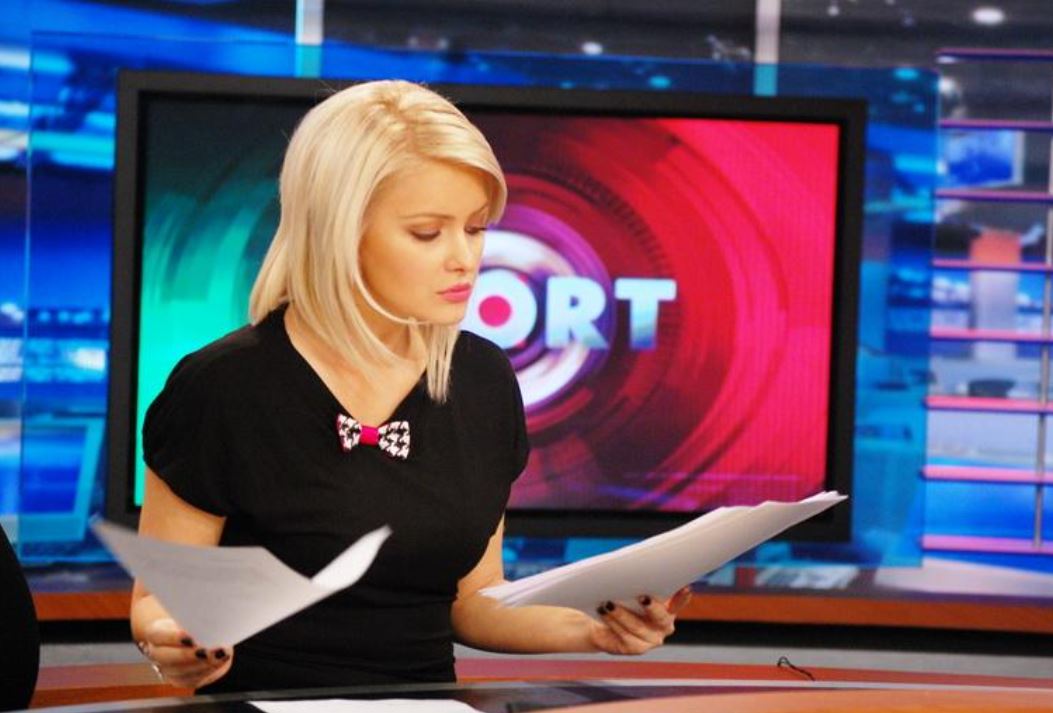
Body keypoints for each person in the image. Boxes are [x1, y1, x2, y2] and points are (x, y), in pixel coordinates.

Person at [131, 79, 692, 694]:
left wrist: (594, 629)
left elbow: (473, 600)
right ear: (339, 232)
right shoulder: (221, 387)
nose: (465, 259)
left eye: (475, 229)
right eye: (428, 233)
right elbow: (158, 603)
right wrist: (176, 641)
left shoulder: (482, 380)